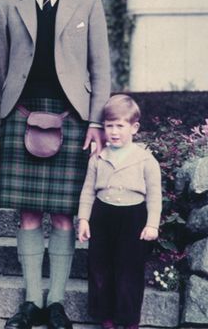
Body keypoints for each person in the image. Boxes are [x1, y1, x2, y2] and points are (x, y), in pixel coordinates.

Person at [0, 0, 111, 328]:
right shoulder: (7, 5)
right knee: (27, 214)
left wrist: (95, 121)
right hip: (23, 113)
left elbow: (100, 69)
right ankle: (31, 303)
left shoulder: (89, 4)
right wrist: (12, 108)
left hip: (72, 118)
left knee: (62, 216)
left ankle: (55, 303)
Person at [78, 95, 162, 329]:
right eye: (109, 125)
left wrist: (152, 224)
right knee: (100, 269)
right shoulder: (98, 157)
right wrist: (84, 219)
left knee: (129, 272)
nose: (114, 132)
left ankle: (129, 320)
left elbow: (154, 195)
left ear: (134, 128)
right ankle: (106, 320)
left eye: (120, 126)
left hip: (133, 218)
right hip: (102, 216)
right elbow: (87, 191)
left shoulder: (145, 160)